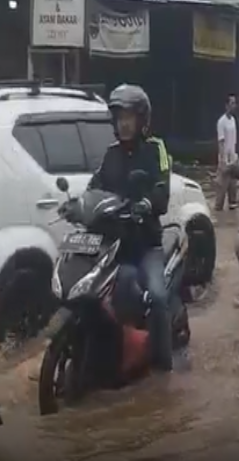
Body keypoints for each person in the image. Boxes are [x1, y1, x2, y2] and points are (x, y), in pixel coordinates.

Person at [88, 84, 174, 373]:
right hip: (117, 248)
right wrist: (77, 205)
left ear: (142, 120)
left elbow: (163, 188)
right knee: (107, 292)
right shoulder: (111, 154)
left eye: (129, 118)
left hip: (147, 244)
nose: (124, 124)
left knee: (159, 298)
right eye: (119, 118)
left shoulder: (155, 149)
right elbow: (95, 187)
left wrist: (147, 203)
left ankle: (164, 365)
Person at [215, 93, 239, 212]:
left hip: (233, 161)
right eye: (232, 103)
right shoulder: (221, 122)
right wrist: (222, 161)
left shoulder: (233, 120)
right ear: (226, 105)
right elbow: (221, 142)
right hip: (225, 162)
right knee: (220, 196)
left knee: (233, 195)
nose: (234, 105)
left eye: (235, 103)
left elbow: (233, 141)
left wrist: (236, 158)